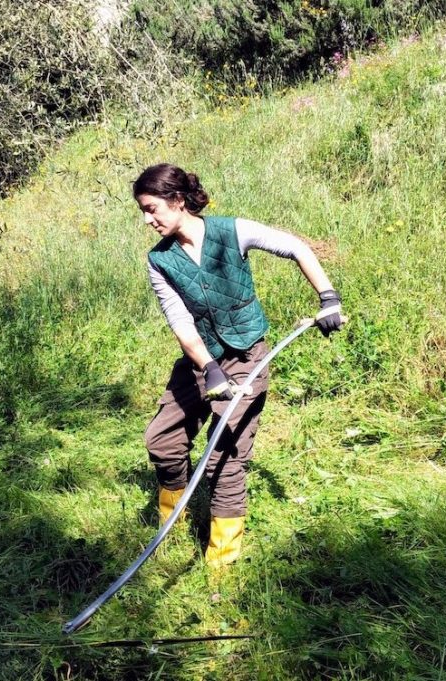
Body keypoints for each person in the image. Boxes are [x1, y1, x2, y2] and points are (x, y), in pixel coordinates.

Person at [134, 163, 344, 569]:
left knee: (225, 459)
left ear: (177, 200)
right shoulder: (159, 260)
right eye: (143, 211)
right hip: (199, 359)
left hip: (247, 358)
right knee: (162, 441)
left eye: (151, 208)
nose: (147, 220)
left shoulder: (233, 230)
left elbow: (296, 248)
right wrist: (209, 368)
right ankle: (172, 526)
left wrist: (328, 297)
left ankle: (221, 563)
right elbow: (180, 322)